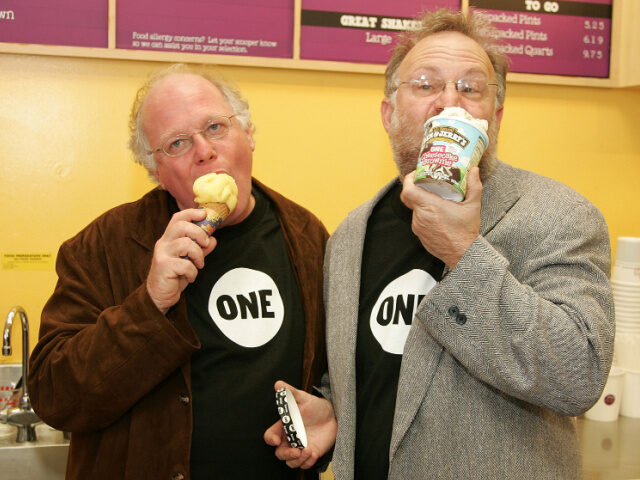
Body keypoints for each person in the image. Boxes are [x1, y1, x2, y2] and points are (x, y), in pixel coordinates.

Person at [265, 8, 614, 480]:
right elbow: (376, 371)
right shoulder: (351, 234)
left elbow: (579, 376)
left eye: (471, 88)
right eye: (426, 84)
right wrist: (335, 414)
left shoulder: (558, 216)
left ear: (494, 118)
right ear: (389, 114)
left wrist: (463, 254)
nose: (450, 103)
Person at [27, 63, 329, 480]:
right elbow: (54, 396)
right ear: (156, 173)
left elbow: (338, 376)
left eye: (216, 128)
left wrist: (329, 417)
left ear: (249, 134)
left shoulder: (309, 237)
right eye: (177, 143)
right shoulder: (103, 247)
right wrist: (150, 302)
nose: (204, 150)